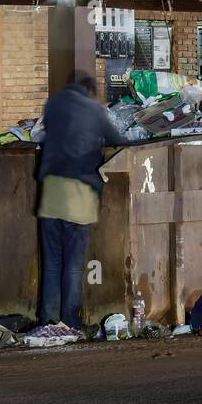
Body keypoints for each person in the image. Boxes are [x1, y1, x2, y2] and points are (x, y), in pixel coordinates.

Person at [35, 71, 129, 329]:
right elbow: (119, 141)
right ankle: (70, 321)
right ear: (89, 90)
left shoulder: (53, 104)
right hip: (79, 193)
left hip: (51, 191)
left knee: (52, 262)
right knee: (74, 265)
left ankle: (48, 320)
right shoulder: (95, 111)